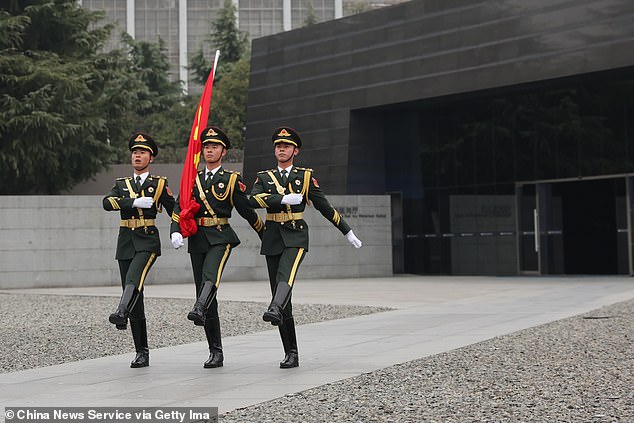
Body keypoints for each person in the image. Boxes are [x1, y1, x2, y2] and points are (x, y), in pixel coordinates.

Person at [249, 126, 363, 369]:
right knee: (282, 295)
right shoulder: (265, 177)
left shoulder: (305, 177)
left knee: (285, 276)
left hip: (296, 235)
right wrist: (281, 199)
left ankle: (274, 307)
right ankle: (291, 352)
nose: (282, 149)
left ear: (295, 151)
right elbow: (253, 199)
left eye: (286, 146)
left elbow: (324, 206)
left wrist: (347, 230)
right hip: (272, 237)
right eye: (278, 146)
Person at [170, 126, 263, 368]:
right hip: (198, 238)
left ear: (223, 151)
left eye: (214, 146)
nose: (209, 150)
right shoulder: (194, 179)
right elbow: (178, 208)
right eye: (207, 146)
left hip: (221, 236)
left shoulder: (231, 179)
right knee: (205, 290)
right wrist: (175, 231)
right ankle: (215, 351)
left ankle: (199, 308)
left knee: (211, 277)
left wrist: (265, 233)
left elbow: (245, 210)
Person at [102, 132, 176, 368]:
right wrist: (132, 202)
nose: (137, 155)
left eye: (142, 152)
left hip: (147, 240)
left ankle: (121, 311)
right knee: (135, 293)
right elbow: (107, 203)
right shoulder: (121, 185)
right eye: (135, 152)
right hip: (125, 241)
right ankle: (141, 351)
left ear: (151, 158)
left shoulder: (159, 184)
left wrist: (176, 230)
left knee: (133, 279)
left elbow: (176, 210)